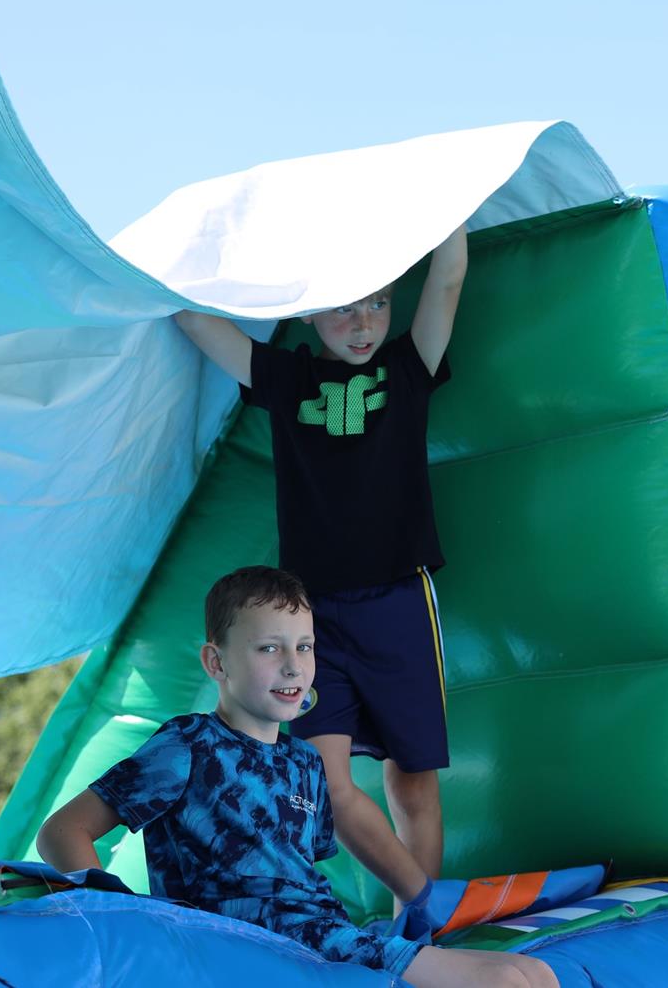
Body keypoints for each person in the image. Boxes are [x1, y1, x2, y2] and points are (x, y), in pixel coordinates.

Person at [36, 567, 556, 988]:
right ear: (216, 662)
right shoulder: (188, 745)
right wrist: (130, 920)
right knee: (505, 981)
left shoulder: (305, 763)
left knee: (534, 973)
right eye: (269, 648)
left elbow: (303, 886)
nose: (293, 666)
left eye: (304, 647)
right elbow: (60, 832)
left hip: (323, 938)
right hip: (248, 942)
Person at [172, 226, 466, 916]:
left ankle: (418, 933)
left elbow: (448, 275)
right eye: (343, 307)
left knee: (414, 779)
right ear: (306, 311)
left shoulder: (407, 368)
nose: (363, 324)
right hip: (310, 622)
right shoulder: (285, 378)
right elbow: (192, 317)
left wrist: (448, 206)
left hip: (399, 599)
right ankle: (423, 906)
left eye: (378, 303)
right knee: (328, 783)